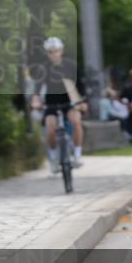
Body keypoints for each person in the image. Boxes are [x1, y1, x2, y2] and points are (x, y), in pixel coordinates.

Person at [33, 37, 86, 171]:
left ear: (61, 51)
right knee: (50, 129)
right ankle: (53, 158)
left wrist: (83, 101)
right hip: (51, 103)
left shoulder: (71, 65)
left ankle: (77, 155)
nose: (54, 54)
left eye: (56, 51)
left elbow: (80, 84)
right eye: (50, 52)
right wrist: (36, 99)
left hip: (69, 102)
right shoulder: (43, 68)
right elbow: (38, 86)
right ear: (47, 53)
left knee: (76, 122)